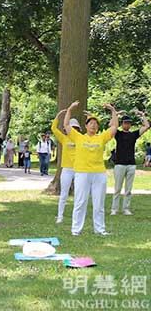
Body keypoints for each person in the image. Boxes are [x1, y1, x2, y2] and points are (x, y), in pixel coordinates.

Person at [64, 101, 118, 236]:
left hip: (99, 173)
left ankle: (100, 229)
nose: (93, 125)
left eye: (95, 123)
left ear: (98, 127)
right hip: (82, 173)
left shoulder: (101, 137)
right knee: (80, 201)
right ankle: (76, 230)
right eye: (90, 123)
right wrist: (70, 110)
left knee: (99, 203)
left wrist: (112, 111)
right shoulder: (79, 137)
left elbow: (114, 127)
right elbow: (66, 125)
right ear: (86, 126)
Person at [111, 111, 149, 216]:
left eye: (128, 123)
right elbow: (112, 125)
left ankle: (126, 208)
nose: (127, 124)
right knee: (117, 188)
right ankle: (114, 209)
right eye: (125, 123)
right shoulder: (118, 134)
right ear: (122, 124)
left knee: (128, 189)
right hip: (119, 164)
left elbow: (146, 126)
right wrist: (116, 114)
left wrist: (142, 115)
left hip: (131, 164)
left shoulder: (133, 135)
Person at [51, 109, 80, 224]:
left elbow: (93, 131)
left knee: (78, 194)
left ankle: (76, 217)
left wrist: (91, 117)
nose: (72, 129)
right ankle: (60, 216)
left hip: (79, 169)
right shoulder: (63, 138)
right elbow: (53, 129)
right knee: (64, 194)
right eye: (70, 127)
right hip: (67, 169)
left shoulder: (80, 138)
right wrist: (58, 116)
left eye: (75, 128)